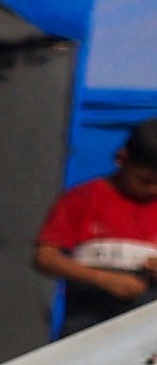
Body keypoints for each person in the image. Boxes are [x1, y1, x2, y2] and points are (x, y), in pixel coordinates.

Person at [30, 123, 157, 329]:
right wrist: (104, 279)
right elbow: (45, 258)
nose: (154, 189)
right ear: (121, 159)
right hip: (88, 319)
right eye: (146, 181)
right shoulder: (82, 199)